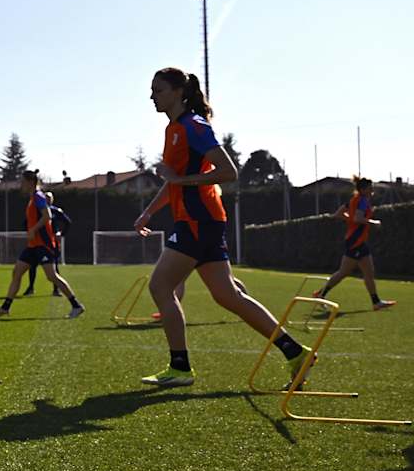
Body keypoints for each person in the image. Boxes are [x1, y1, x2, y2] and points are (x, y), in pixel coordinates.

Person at [133, 67, 313, 387]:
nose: (152, 96)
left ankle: (180, 367)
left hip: (198, 221)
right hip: (200, 221)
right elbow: (174, 181)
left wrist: (181, 181)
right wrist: (149, 211)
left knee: (161, 286)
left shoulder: (194, 126)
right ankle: (295, 352)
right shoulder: (173, 128)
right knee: (227, 296)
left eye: (158, 90)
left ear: (178, 92)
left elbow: (228, 172)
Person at [0, 170, 84, 319]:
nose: (21, 184)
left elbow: (47, 216)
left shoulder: (38, 196)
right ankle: (5, 307)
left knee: (52, 276)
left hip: (43, 245)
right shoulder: (33, 197)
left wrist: (33, 229)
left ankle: (76, 305)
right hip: (33, 245)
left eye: (22, 181)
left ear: (30, 182)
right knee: (17, 272)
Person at [314, 176, 396, 310]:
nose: (372, 190)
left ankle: (376, 302)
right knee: (346, 272)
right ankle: (320, 294)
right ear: (363, 190)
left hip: (356, 240)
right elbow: (358, 218)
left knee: (363, 272)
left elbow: (338, 214)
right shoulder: (362, 201)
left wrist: (350, 219)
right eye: (370, 188)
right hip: (356, 241)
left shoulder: (354, 200)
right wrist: (373, 222)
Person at [24, 191, 70, 297]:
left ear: (53, 199)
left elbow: (67, 222)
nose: (48, 199)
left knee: (53, 268)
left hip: (51, 243)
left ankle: (56, 290)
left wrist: (61, 233)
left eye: (50, 198)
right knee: (32, 265)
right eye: (46, 198)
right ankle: (30, 288)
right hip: (38, 242)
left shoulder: (55, 211)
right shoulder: (38, 210)